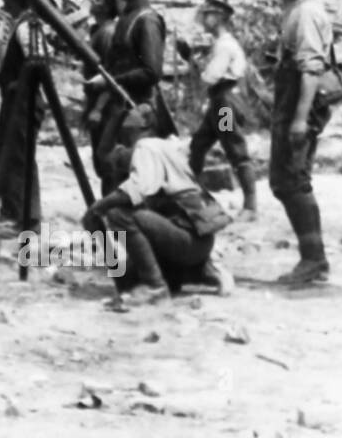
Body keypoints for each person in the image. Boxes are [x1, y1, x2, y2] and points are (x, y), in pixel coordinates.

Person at [82, 107, 233, 307]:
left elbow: (136, 189)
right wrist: (115, 116)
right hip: (195, 242)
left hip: (188, 239)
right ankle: (201, 272)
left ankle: (155, 287)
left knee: (118, 214)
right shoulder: (165, 147)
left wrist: (97, 208)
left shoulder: (146, 147)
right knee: (129, 280)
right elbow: (106, 156)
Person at [268, 0, 336, 285]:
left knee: (292, 180)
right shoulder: (296, 10)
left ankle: (313, 260)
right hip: (290, 101)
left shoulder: (306, 13)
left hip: (300, 104)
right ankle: (313, 258)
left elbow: (311, 68)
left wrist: (299, 119)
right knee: (285, 181)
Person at [86, 0, 175, 193]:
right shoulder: (127, 19)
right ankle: (116, 231)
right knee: (111, 174)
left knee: (135, 183)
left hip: (138, 114)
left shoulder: (147, 20)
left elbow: (151, 72)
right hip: (119, 111)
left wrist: (108, 83)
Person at [181, 0, 256, 215]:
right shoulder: (221, 43)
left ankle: (251, 206)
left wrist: (193, 63)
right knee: (198, 144)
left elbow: (209, 77)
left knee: (234, 147)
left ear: (218, 19)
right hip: (219, 102)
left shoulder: (224, 45)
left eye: (208, 15)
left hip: (225, 103)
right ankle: (191, 196)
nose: (204, 19)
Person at [0, 0, 45, 238]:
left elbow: (39, 62)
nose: (3, 2)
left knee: (18, 157)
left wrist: (18, 84)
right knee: (4, 153)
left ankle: (25, 218)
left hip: (24, 100)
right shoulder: (19, 24)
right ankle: (15, 211)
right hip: (16, 99)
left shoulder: (28, 26)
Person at [82, 0, 120, 176]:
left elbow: (110, 75)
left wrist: (98, 108)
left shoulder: (107, 33)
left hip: (104, 107)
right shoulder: (99, 31)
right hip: (97, 102)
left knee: (105, 159)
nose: (92, 1)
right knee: (101, 160)